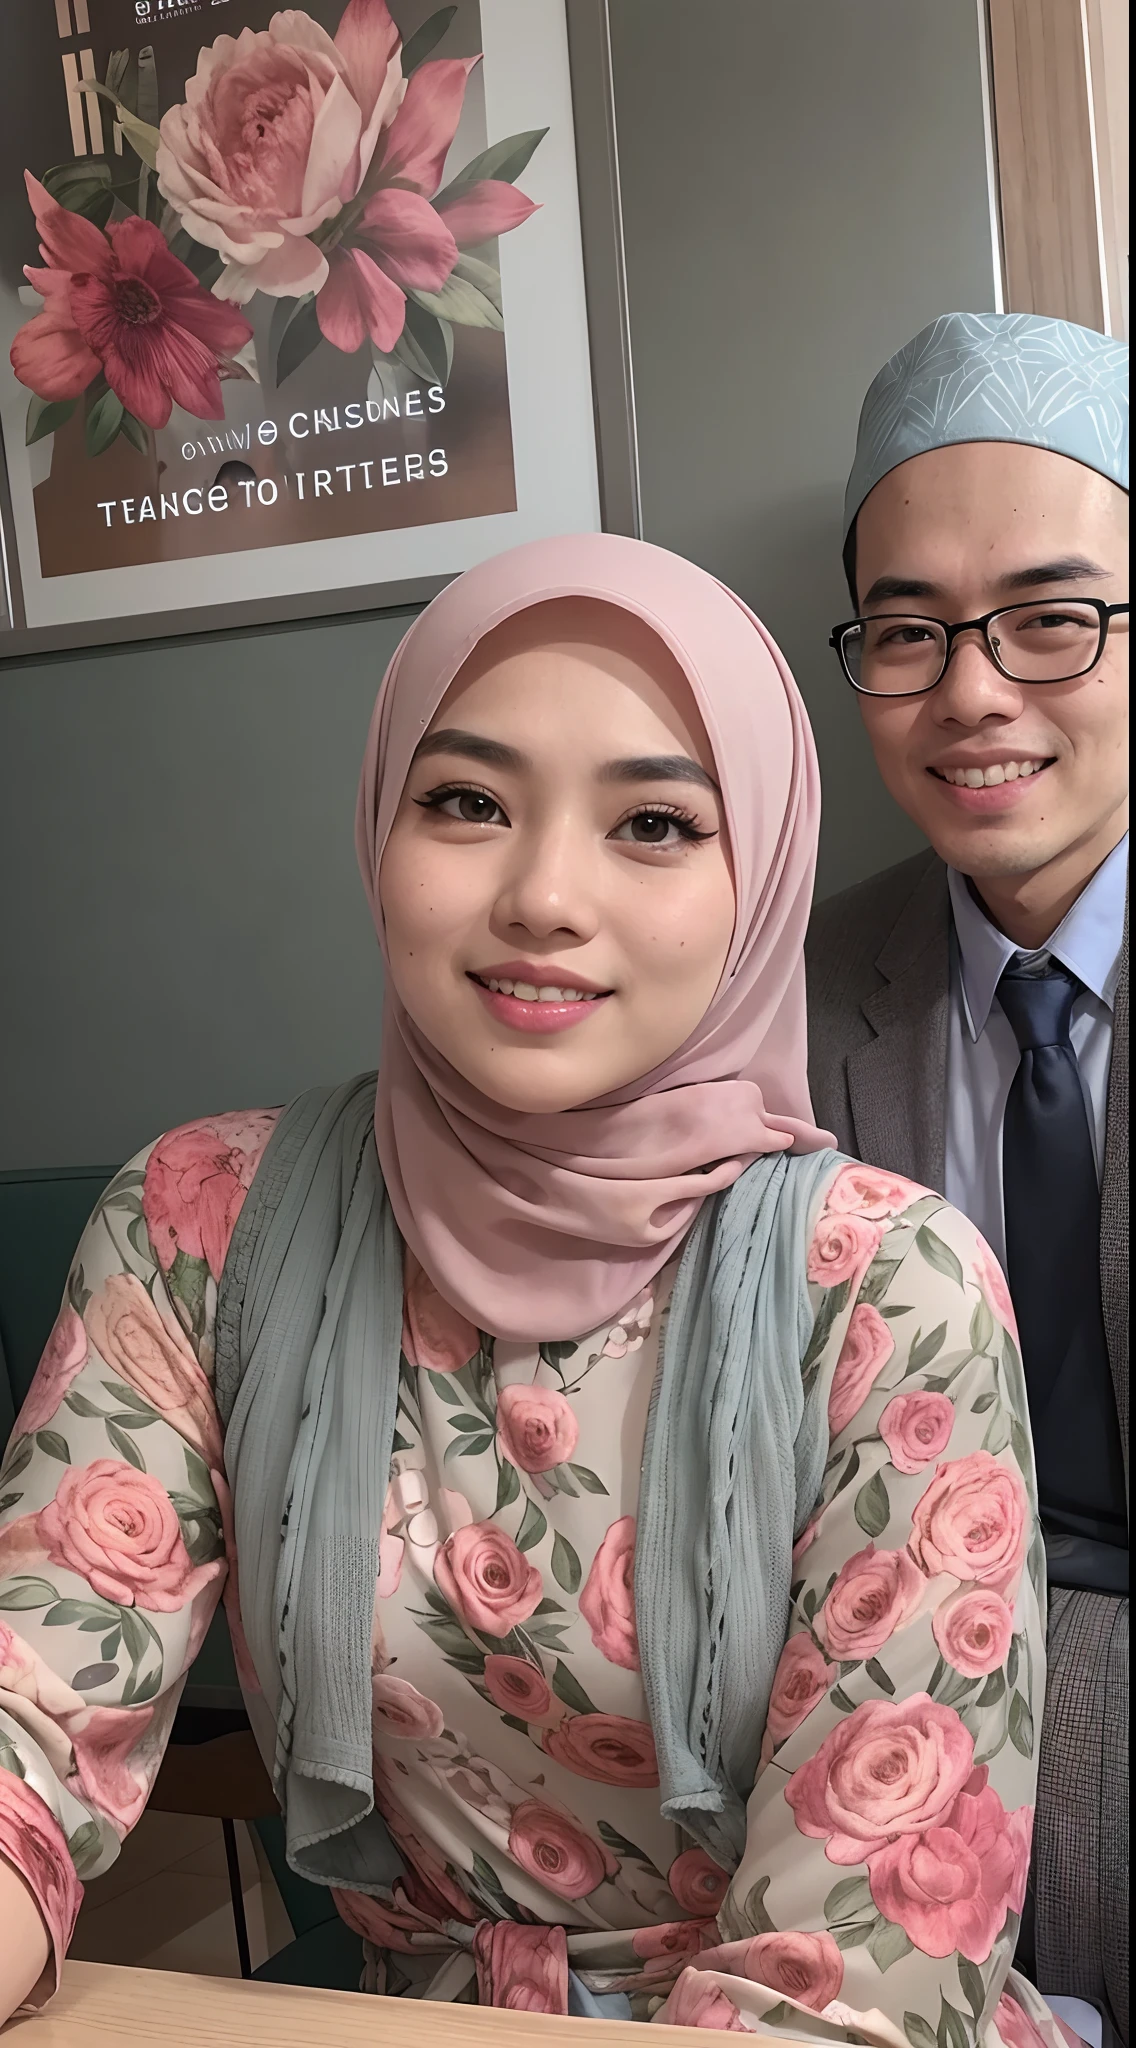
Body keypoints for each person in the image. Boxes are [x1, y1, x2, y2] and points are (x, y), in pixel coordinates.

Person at [2, 534, 1055, 2039]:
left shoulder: (891, 1292)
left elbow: (867, 1973)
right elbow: (25, 1723)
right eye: (468, 802)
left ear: (760, 876)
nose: (545, 895)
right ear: (378, 825)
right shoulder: (197, 1226)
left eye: (655, 824)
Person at [807, 313, 1128, 2046]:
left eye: (1054, 618)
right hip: (885, 1711)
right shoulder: (771, 993)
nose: (976, 691)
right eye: (912, 630)